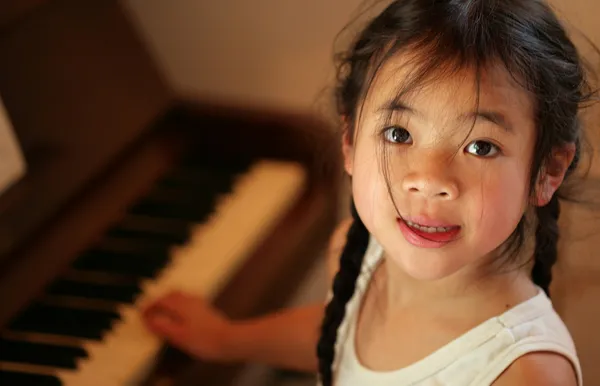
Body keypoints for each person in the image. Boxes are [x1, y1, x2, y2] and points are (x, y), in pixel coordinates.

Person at [142, 0, 598, 384]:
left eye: (481, 146)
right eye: (399, 134)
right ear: (349, 141)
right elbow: (335, 336)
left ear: (547, 171)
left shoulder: (526, 372)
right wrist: (227, 338)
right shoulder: (357, 251)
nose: (428, 179)